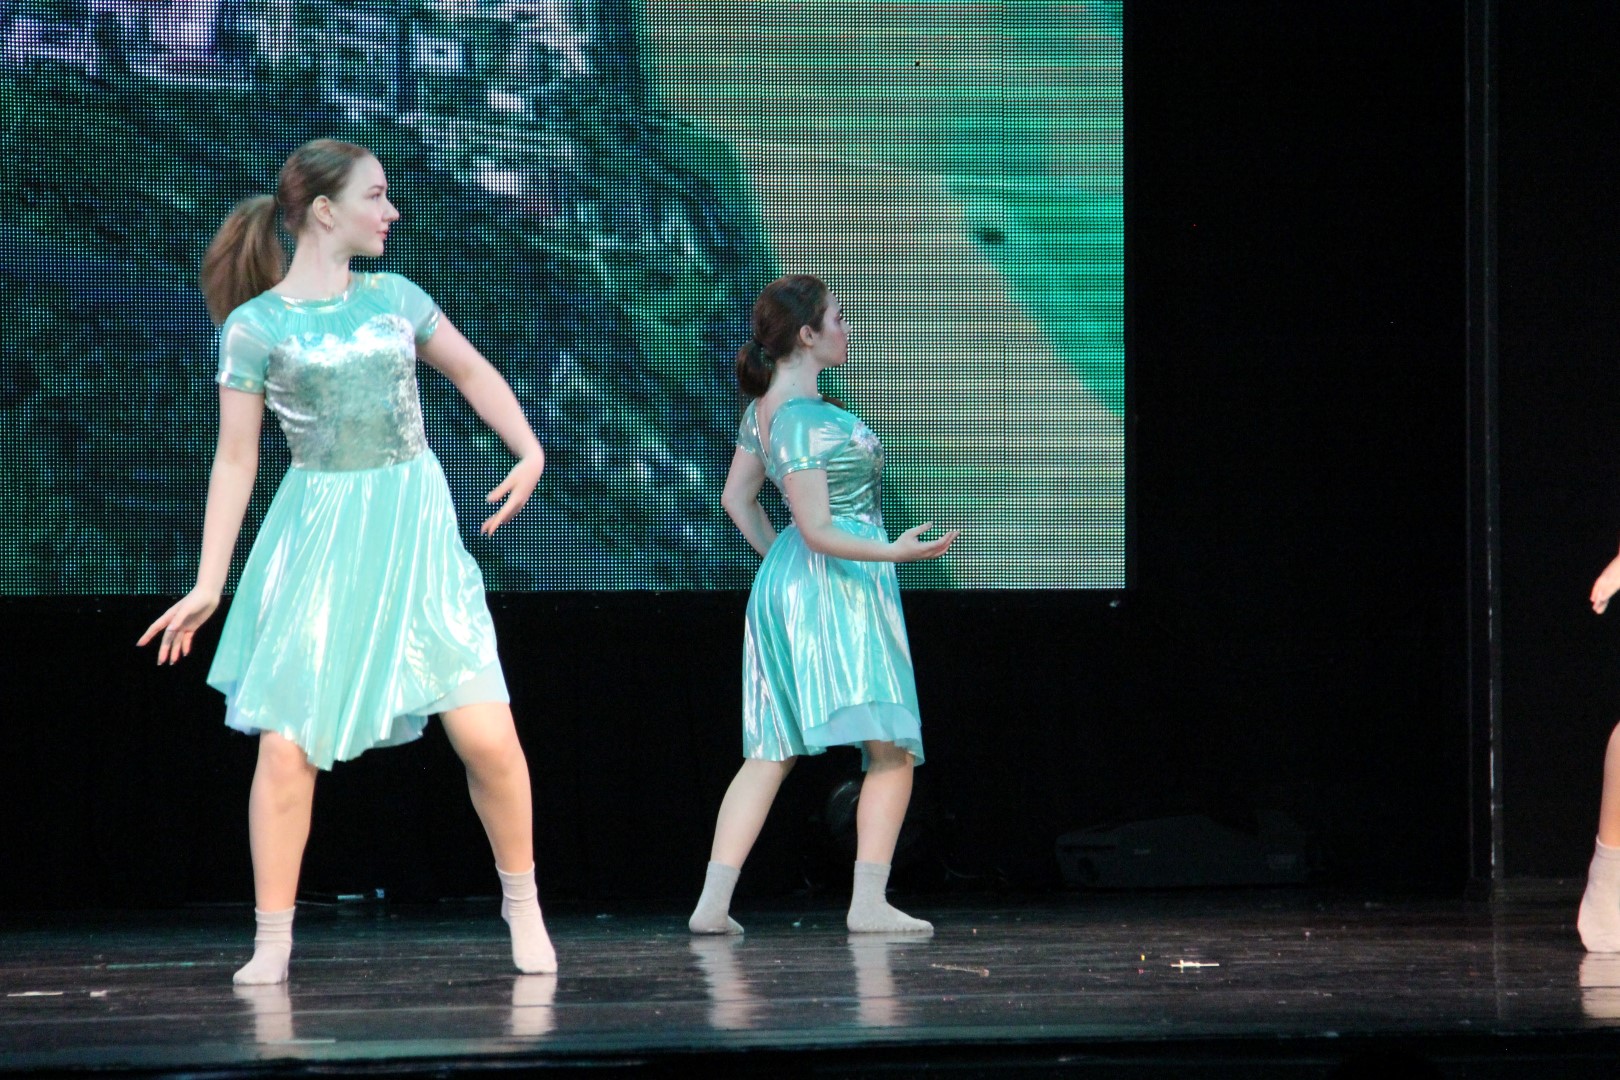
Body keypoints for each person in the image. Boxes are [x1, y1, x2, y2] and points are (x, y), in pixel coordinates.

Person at [138, 139, 554, 984]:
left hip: (415, 533)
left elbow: (471, 371)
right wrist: (210, 581)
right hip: (320, 542)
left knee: (488, 738)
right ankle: (273, 941)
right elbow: (235, 459)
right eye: (376, 195)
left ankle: (524, 905)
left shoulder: (394, 297)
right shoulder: (255, 327)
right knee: (286, 750)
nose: (390, 212)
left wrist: (529, 448)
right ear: (325, 210)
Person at [687, 274, 958, 936]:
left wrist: (782, 570)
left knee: (771, 752)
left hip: (794, 584)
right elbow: (815, 529)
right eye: (838, 319)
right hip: (840, 584)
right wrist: (893, 553)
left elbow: (737, 500)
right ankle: (867, 903)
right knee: (891, 746)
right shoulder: (803, 419)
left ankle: (712, 906)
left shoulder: (765, 413)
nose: (847, 329)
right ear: (806, 335)